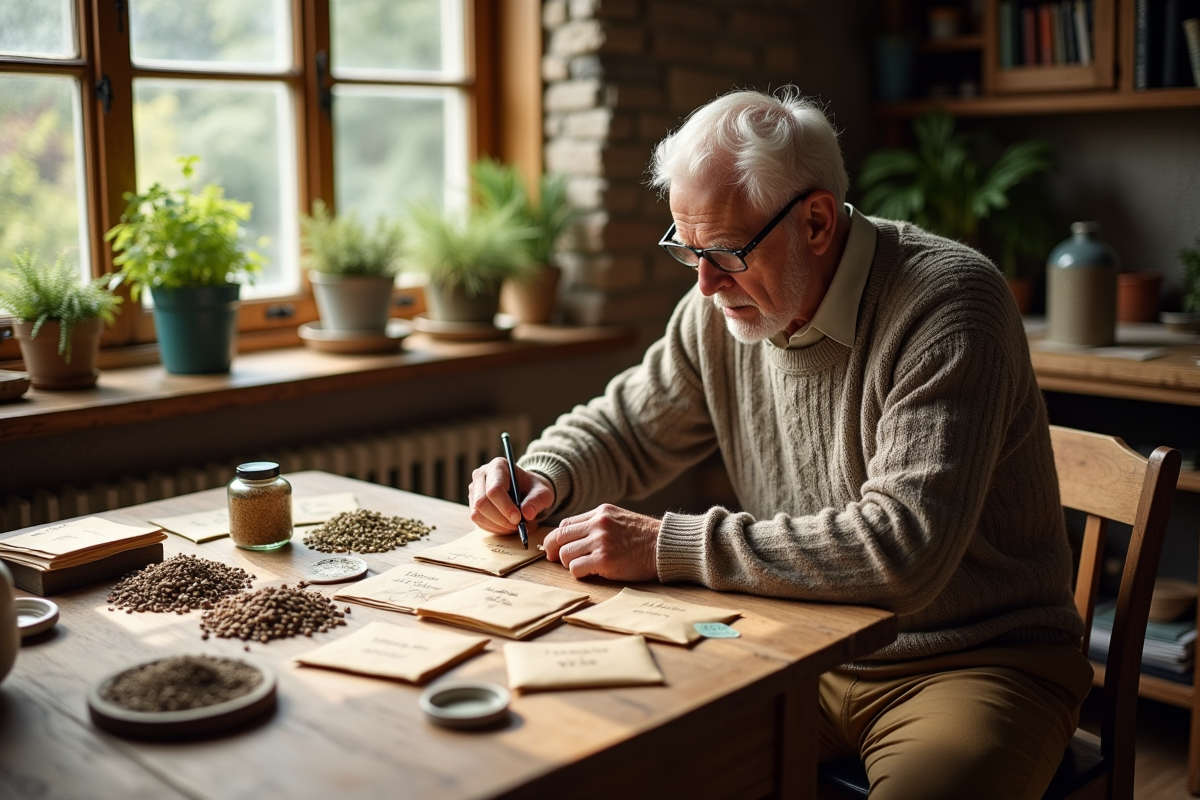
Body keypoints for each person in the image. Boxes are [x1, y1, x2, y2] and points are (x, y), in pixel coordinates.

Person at [468, 87, 1091, 800]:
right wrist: (545, 471)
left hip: (972, 661)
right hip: (794, 645)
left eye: (725, 252)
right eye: (686, 249)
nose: (704, 284)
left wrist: (665, 546)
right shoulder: (719, 310)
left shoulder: (949, 304)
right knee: (622, 762)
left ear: (818, 221)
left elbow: (903, 552)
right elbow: (629, 424)